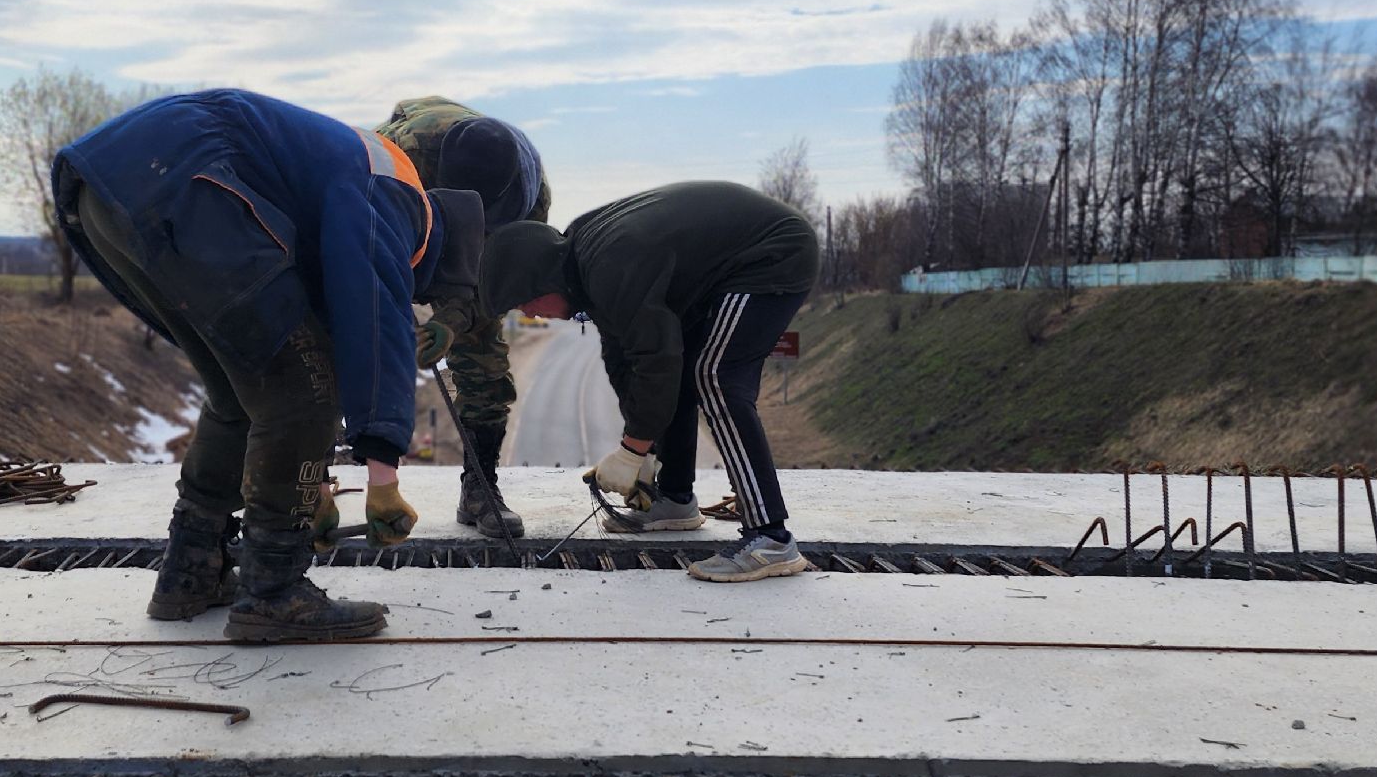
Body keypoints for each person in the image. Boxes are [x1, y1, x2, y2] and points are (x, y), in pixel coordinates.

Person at [52, 89, 486, 640]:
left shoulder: (350, 183)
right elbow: (375, 322)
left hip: (112, 181)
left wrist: (314, 492)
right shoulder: (401, 200)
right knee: (302, 396)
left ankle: (192, 571)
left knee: (243, 391)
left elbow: (308, 338)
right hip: (185, 177)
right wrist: (383, 478)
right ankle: (274, 591)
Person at [479, 182, 820, 582]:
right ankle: (675, 500)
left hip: (772, 256)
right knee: (681, 372)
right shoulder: (584, 266)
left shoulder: (611, 265)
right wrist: (644, 450)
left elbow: (658, 361)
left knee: (715, 377)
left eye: (525, 302)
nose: (529, 315)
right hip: (721, 272)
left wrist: (632, 451)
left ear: (541, 281)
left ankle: (771, 539)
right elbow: (625, 360)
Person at [376, 96, 548, 538]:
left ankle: (480, 489)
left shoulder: (531, 200)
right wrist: (393, 307)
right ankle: (309, 488)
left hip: (466, 251)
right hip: (407, 222)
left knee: (486, 362)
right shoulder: (397, 158)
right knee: (346, 345)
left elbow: (496, 282)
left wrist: (452, 321)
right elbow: (365, 244)